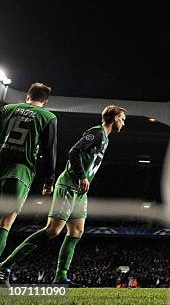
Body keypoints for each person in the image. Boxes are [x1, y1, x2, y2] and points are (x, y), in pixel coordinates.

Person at [0, 105, 126, 286]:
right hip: (69, 184)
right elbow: (74, 152)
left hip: (80, 191)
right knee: (53, 230)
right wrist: (82, 176)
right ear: (114, 118)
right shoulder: (97, 132)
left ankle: (60, 276)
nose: (123, 123)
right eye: (122, 119)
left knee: (77, 231)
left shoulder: (105, 138)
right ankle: (5, 266)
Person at [0, 83, 56, 260]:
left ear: (27, 96)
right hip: (20, 172)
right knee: (5, 222)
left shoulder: (8, 108)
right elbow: (49, 151)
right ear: (45, 102)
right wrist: (49, 180)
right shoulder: (48, 117)